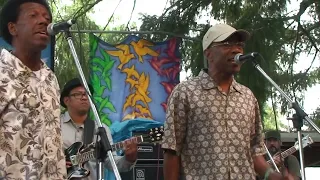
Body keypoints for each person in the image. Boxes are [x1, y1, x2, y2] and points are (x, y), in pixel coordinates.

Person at [161, 24, 293, 180]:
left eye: (239, 45)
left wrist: (272, 176)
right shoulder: (185, 93)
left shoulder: (247, 97)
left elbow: (254, 153)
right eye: (227, 44)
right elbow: (172, 151)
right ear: (208, 53)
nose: (236, 49)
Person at [0, 0, 66, 179]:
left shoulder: (50, 77)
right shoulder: (2, 72)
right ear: (13, 28)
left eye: (47, 17)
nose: (44, 21)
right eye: (33, 15)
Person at [60, 78, 138, 180]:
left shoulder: (101, 129)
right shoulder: (54, 126)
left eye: (86, 94)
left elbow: (111, 162)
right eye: (78, 94)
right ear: (66, 100)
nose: (84, 98)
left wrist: (129, 159)